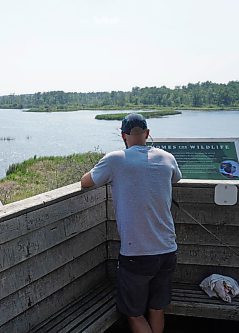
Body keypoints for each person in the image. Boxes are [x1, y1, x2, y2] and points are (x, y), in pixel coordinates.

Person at [81, 113, 182, 333]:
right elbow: (177, 178)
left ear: (123, 136)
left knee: (134, 313)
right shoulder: (167, 157)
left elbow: (85, 182)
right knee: (156, 308)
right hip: (167, 250)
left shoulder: (115, 159)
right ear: (147, 134)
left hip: (136, 254)